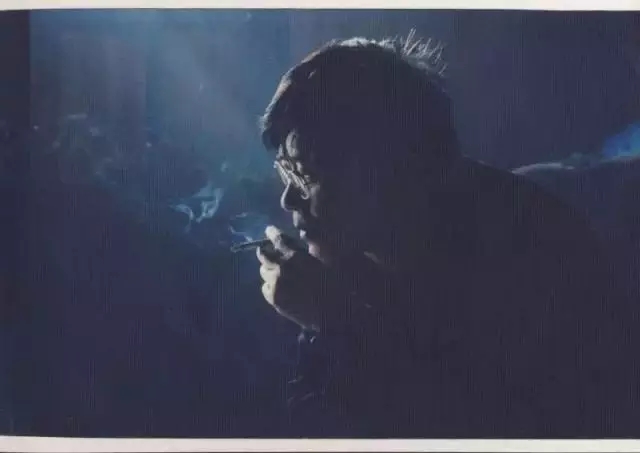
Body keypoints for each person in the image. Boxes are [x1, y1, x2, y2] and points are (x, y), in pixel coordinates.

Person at [254, 34, 640, 437]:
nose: (287, 199)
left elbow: (483, 426)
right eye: (285, 173)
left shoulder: (533, 256)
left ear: (382, 165)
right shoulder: (358, 253)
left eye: (304, 174)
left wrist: (333, 321)